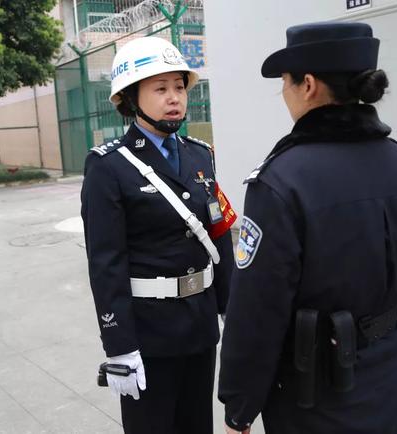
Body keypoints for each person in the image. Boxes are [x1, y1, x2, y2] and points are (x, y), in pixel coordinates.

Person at [218, 22, 397, 434]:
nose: (283, 92)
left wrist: (239, 407)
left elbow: (257, 311)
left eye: (285, 81)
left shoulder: (281, 182)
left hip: (311, 400)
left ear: (309, 85)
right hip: (386, 387)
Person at [81, 36, 236, 434]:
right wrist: (120, 346)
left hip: (200, 325)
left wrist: (231, 309)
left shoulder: (201, 155)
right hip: (148, 336)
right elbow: (106, 264)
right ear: (131, 98)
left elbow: (217, 233)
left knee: (198, 424)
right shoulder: (109, 167)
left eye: (180, 87)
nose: (174, 98)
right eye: (161, 88)